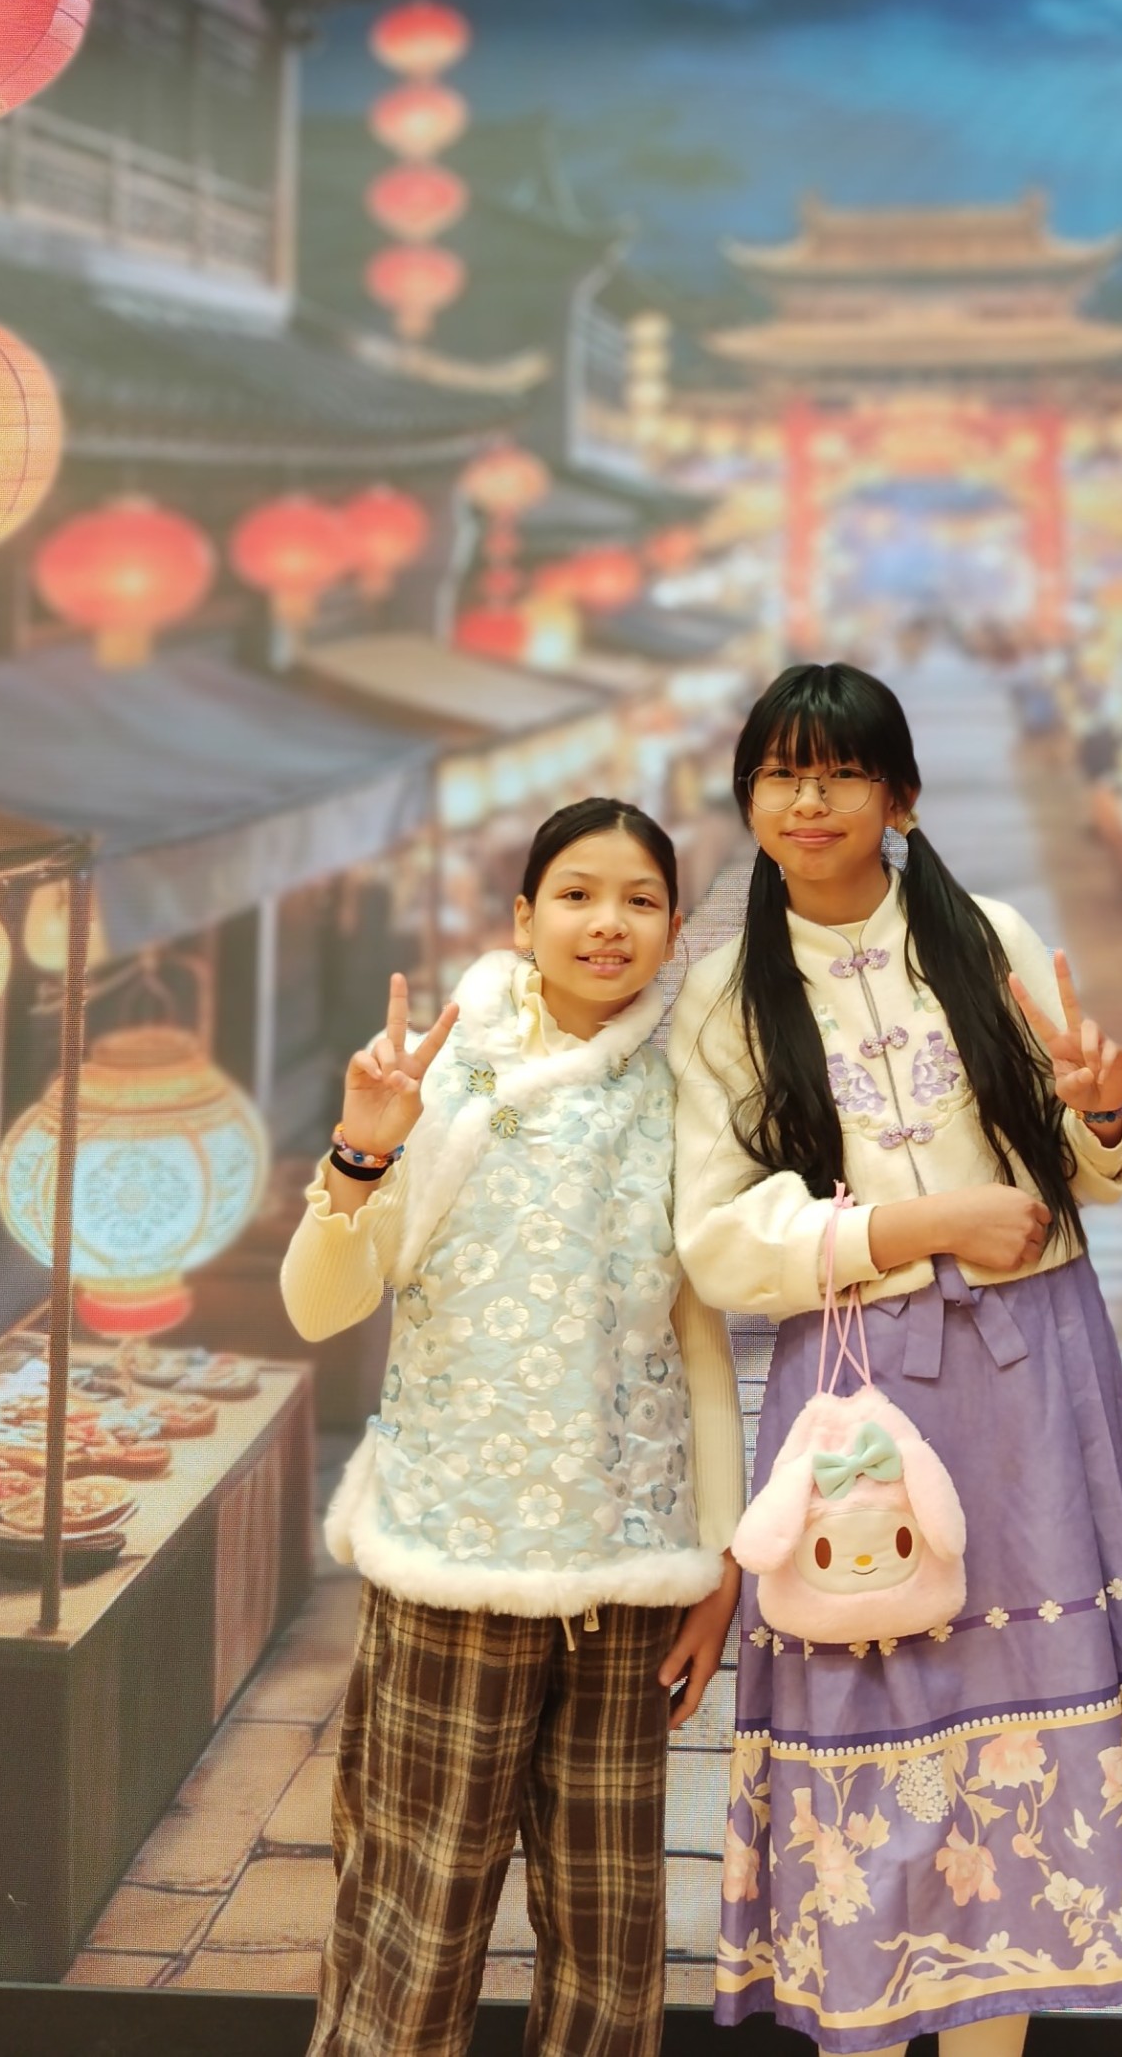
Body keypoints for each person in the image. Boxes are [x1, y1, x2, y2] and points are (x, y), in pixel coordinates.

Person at [668, 665, 1122, 2057]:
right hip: (851, 1385)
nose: (808, 799)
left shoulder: (990, 937)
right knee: (868, 1707)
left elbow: (1094, 1160)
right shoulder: (724, 996)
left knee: (1021, 1723)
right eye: (780, 773)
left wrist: (1104, 1116)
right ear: (749, 798)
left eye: (841, 772)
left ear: (900, 799)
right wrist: (918, 1226)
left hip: (1034, 1373)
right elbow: (718, 1242)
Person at [281, 798, 745, 2057]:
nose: (609, 923)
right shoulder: (441, 1072)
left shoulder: (687, 1088)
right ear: (523, 916)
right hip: (457, 1560)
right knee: (413, 1917)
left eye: (640, 900)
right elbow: (321, 1307)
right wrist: (360, 1155)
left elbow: (699, 1340)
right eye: (578, 894)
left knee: (611, 1941)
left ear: (675, 929)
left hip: (626, 1570)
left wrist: (721, 1563)